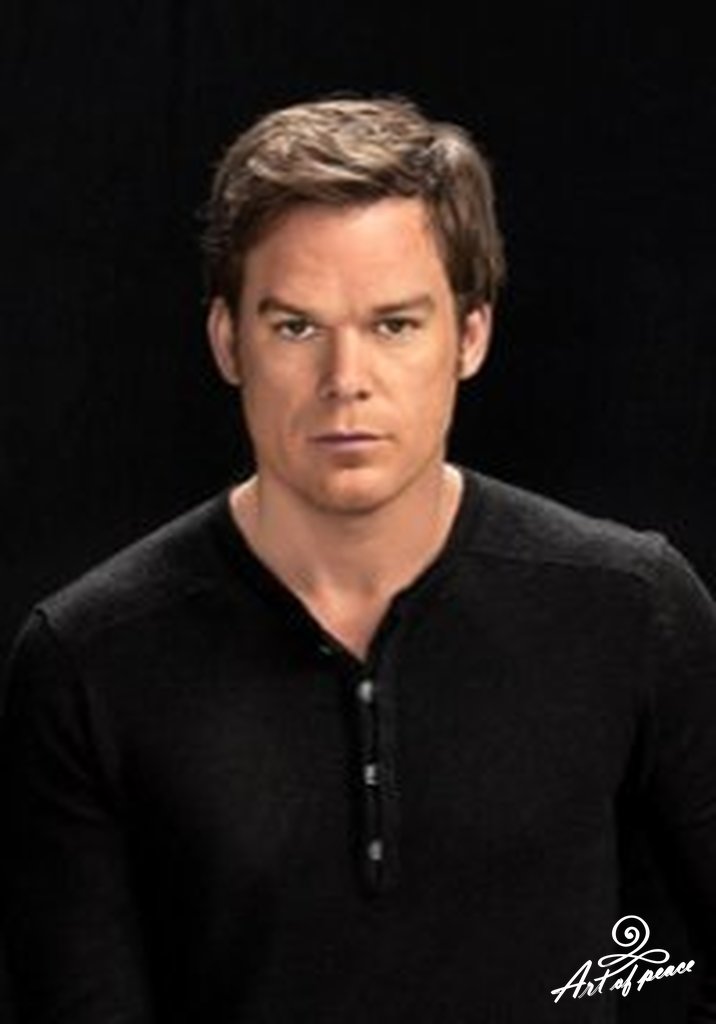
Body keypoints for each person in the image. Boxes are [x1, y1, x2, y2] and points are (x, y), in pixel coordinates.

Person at [2, 95, 716, 1024]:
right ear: (228, 340)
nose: (346, 381)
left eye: (395, 325)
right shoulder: (87, 661)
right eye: (296, 327)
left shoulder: (632, 610)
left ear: (470, 335)